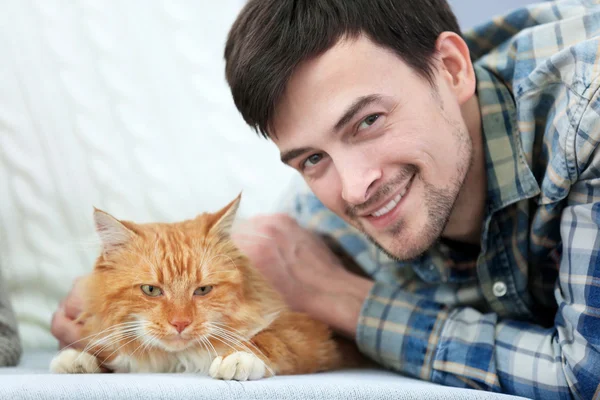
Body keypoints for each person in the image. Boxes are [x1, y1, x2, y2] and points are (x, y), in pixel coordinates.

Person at [52, 0, 600, 397]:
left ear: (452, 69)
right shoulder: (324, 208)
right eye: (312, 158)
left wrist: (343, 297)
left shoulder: (587, 114)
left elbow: (586, 373)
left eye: (368, 120)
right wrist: (107, 309)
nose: (355, 186)